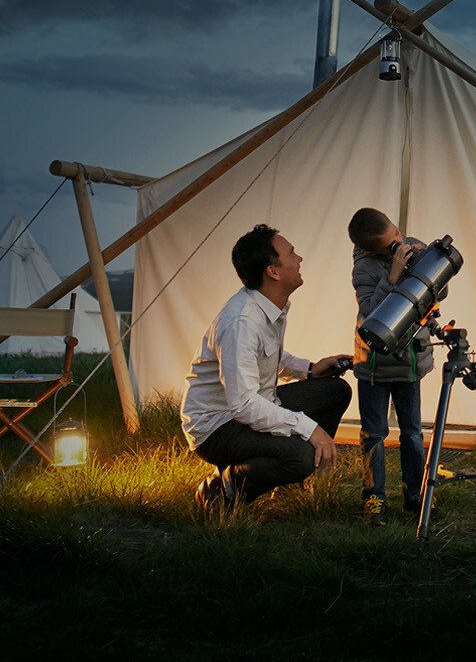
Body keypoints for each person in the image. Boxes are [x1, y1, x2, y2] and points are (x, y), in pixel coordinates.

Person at [182, 223, 351, 515]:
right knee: (302, 455)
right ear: (272, 272)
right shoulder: (241, 322)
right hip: (218, 428)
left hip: (253, 406)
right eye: (291, 253)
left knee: (335, 390)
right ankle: (221, 488)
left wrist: (310, 369)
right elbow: (244, 406)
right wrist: (312, 430)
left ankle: (286, 479)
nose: (299, 259)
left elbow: (271, 356)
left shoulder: (269, 305)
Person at [348, 207, 434, 526]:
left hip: (408, 360)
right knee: (375, 433)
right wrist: (393, 277)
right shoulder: (364, 269)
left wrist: (429, 260)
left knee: (412, 432)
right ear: (373, 250)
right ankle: (374, 497)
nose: (399, 243)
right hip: (374, 364)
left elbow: (440, 291)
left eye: (397, 233)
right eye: (390, 244)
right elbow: (370, 313)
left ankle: (416, 495)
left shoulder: (414, 245)